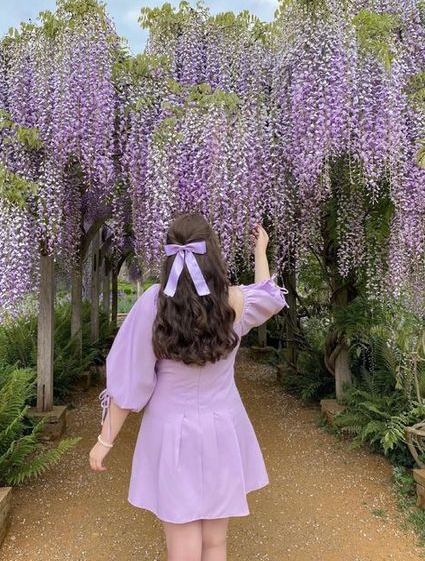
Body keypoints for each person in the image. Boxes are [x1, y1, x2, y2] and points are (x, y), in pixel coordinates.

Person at [89, 212, 288, 561]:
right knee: (215, 545)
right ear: (212, 255)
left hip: (170, 433)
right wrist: (260, 250)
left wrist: (105, 441)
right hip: (222, 429)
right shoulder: (235, 302)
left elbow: (132, 380)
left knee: (183, 549)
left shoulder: (154, 303)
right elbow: (269, 297)